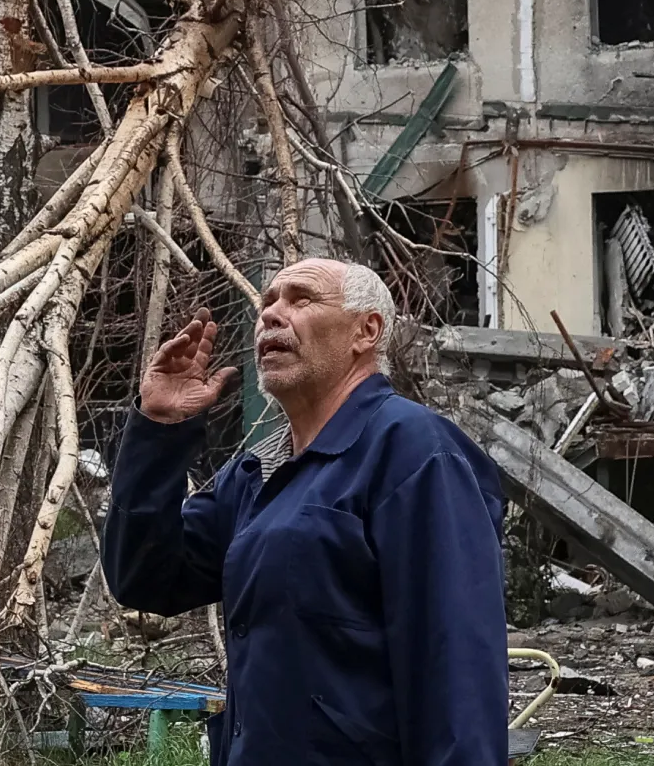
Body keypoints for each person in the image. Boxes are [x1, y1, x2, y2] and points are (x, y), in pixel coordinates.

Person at [102, 257, 509, 766]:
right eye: (268, 301)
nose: (272, 314)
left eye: (301, 299)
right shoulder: (259, 471)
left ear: (366, 330)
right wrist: (158, 431)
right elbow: (145, 579)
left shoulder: (414, 452)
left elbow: (456, 664)